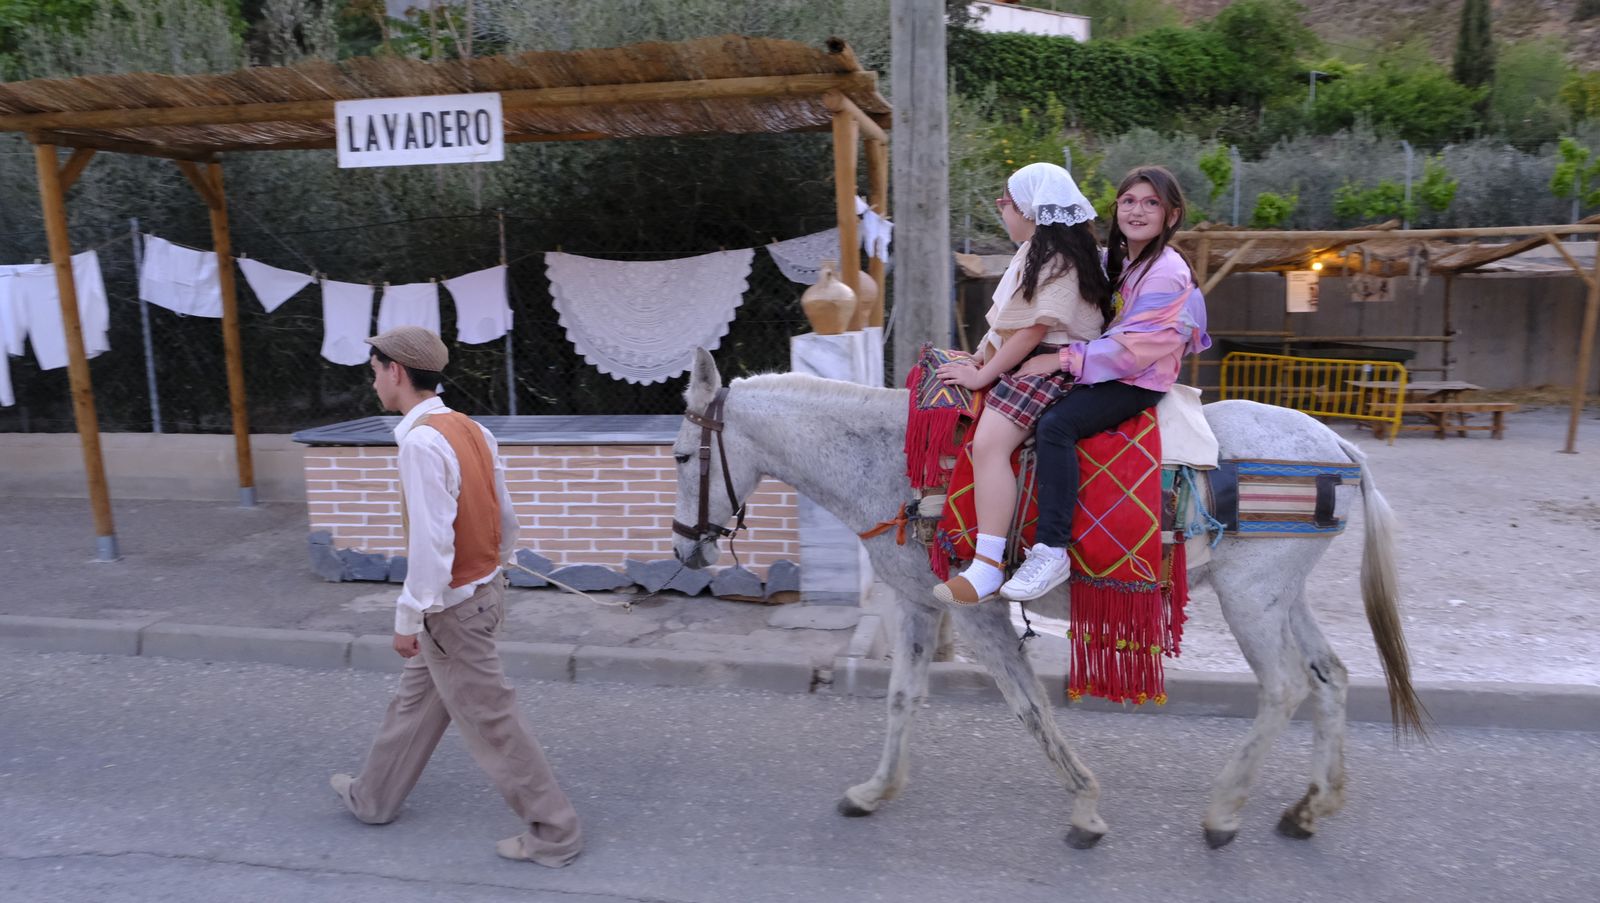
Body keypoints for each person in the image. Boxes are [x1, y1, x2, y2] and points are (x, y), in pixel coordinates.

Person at [329, 325, 583, 868]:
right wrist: (495, 565)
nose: (373, 381)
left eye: (374, 371)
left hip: (452, 610)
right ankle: (372, 798)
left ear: (395, 371)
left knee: (493, 720)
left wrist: (408, 615)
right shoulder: (470, 428)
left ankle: (555, 833)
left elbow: (431, 541)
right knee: (415, 702)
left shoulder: (421, 442)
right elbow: (505, 515)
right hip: (480, 594)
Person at [999, 165, 1211, 602]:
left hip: (1138, 378)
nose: (1137, 211)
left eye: (1151, 203)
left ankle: (1052, 547)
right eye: (1129, 201)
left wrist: (1060, 358)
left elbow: (1133, 349)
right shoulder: (1121, 259)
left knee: (1056, 425)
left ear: (1171, 216)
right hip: (1109, 364)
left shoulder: (1166, 271)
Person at [931, 162, 1113, 605]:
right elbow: (1009, 325)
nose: (1002, 210)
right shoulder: (1037, 252)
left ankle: (987, 564)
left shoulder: (1057, 259)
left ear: (1030, 209)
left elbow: (1033, 330)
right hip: (1030, 356)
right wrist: (980, 354)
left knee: (989, 443)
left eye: (1005, 202)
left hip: (1049, 366)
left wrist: (981, 374)